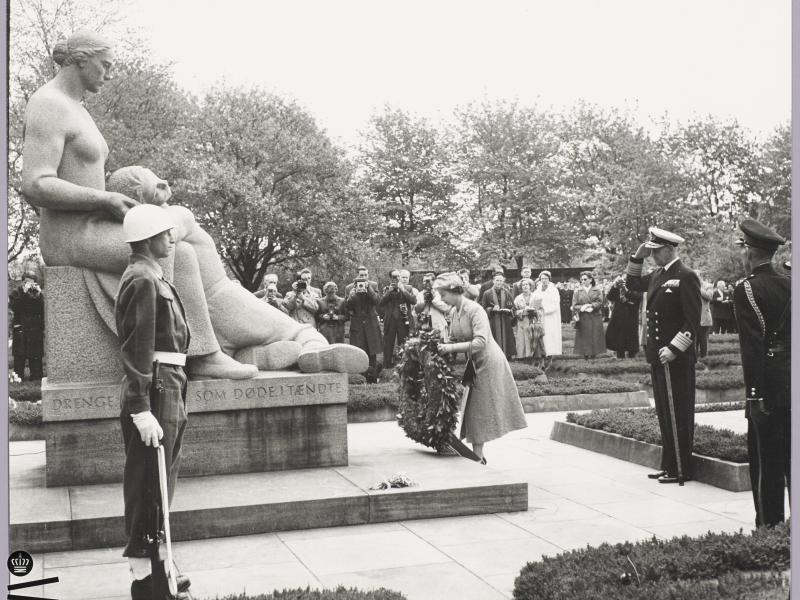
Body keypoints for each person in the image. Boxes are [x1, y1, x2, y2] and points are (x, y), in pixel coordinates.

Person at [21, 31, 366, 379]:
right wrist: (105, 199)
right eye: (105, 65)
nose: (109, 75)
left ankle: (258, 340)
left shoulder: (77, 108)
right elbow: (35, 184)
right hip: (71, 239)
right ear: (81, 59)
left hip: (94, 226)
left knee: (195, 245)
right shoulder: (48, 104)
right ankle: (202, 354)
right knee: (176, 249)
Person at [114, 205, 191, 600]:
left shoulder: (152, 275)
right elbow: (137, 348)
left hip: (169, 382)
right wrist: (140, 406)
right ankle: (145, 578)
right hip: (156, 387)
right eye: (165, 233)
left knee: (163, 482)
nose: (172, 238)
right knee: (148, 481)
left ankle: (161, 563)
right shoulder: (142, 279)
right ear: (147, 238)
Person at [626, 226, 700, 484]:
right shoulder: (657, 274)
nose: (653, 255)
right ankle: (669, 464)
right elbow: (632, 284)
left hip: (676, 358)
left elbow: (693, 321)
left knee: (679, 412)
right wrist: (637, 256)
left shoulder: (686, 276)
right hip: (658, 356)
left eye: (656, 251)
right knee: (665, 413)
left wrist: (675, 348)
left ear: (669, 250)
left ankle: (683, 469)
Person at [733, 219, 791, 527]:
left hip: (766, 389)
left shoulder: (747, 289)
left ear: (751, 253)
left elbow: (752, 349)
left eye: (743, 249)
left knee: (766, 466)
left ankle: (770, 529)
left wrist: (754, 395)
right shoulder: (791, 284)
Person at [434, 272, 527, 463]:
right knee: (473, 407)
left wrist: (449, 347)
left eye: (443, 294)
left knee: (479, 407)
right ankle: (478, 455)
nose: (441, 299)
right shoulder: (454, 311)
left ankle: (478, 455)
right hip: (474, 363)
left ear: (454, 291)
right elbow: (453, 338)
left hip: (489, 361)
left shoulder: (475, 310)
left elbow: (481, 342)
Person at [345, 266, 383, 382]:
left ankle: (372, 379)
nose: (364, 278)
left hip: (371, 323)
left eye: (365, 275)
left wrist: (369, 289)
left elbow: (377, 301)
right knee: (358, 352)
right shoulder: (349, 287)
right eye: (361, 275)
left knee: (372, 353)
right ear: (357, 276)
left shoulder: (373, 285)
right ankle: (360, 378)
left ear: (368, 275)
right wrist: (352, 296)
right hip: (357, 323)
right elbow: (347, 307)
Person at [9, 270, 45, 381]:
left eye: (32, 282)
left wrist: (40, 296)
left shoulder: (37, 293)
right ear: (23, 281)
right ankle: (17, 378)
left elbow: (42, 310)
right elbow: (15, 308)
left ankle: (36, 377)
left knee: (36, 355)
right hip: (21, 328)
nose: (29, 284)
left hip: (35, 328)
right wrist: (24, 293)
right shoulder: (16, 292)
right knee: (19, 356)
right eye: (26, 282)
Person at [378, 269, 417, 368]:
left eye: (398, 276)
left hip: (403, 320)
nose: (396, 279)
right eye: (394, 277)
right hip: (390, 320)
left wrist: (403, 290)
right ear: (390, 278)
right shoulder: (387, 288)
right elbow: (381, 303)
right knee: (388, 345)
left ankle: (403, 367)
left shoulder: (408, 288)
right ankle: (386, 367)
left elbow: (413, 301)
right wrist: (388, 293)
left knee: (403, 343)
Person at [604, 275, 642, 359]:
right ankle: (620, 355)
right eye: (624, 279)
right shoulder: (618, 287)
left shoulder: (636, 287)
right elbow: (610, 297)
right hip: (619, 314)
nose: (625, 281)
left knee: (631, 336)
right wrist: (614, 287)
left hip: (631, 314)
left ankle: (632, 355)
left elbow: (638, 297)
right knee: (619, 336)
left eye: (626, 279)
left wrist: (627, 290)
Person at [481, 271, 516, 359]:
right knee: (493, 337)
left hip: (505, 320)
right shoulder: (487, 293)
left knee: (507, 337)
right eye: (497, 280)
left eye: (500, 280)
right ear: (493, 281)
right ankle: (494, 355)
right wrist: (491, 309)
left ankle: (507, 355)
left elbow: (513, 307)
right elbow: (483, 308)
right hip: (493, 320)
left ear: (503, 281)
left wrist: (509, 310)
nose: (499, 282)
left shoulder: (507, 292)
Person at [571, 272, 606, 358]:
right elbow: (574, 305)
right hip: (583, 316)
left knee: (595, 335)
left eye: (585, 279)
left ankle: (594, 354)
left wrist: (591, 306)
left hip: (594, 315)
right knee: (584, 336)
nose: (583, 281)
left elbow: (600, 302)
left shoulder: (597, 290)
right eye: (582, 279)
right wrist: (583, 307)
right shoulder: (577, 291)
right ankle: (585, 354)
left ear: (590, 280)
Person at [532, 271, 562, 366]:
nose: (544, 281)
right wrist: (537, 308)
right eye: (542, 279)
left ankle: (550, 356)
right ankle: (542, 355)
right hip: (541, 317)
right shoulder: (537, 290)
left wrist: (545, 309)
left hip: (551, 317)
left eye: (546, 279)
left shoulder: (553, 290)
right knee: (542, 336)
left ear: (549, 279)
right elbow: (534, 302)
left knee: (550, 336)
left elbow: (555, 304)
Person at [513, 279, 545, 365]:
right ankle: (523, 359)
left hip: (533, 322)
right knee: (522, 341)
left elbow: (541, 310)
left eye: (527, 284)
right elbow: (514, 311)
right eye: (523, 285)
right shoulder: (518, 298)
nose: (525, 286)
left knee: (534, 339)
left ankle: (536, 359)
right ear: (521, 287)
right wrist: (522, 312)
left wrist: (535, 311)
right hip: (522, 322)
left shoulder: (536, 297)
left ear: (530, 286)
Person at [414, 272, 450, 337]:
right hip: (424, 325)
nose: (425, 283)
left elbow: (447, 309)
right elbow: (416, 310)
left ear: (434, 281)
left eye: (428, 281)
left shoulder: (440, 293)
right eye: (424, 281)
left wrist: (434, 300)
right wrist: (424, 302)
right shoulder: (420, 294)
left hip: (438, 325)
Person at [696, 276, 714, 360]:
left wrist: (698, 287)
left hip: (704, 316)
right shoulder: (689, 284)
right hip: (692, 317)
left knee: (703, 340)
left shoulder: (708, 286)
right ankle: (694, 360)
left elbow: (709, 297)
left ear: (700, 277)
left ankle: (704, 359)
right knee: (692, 341)